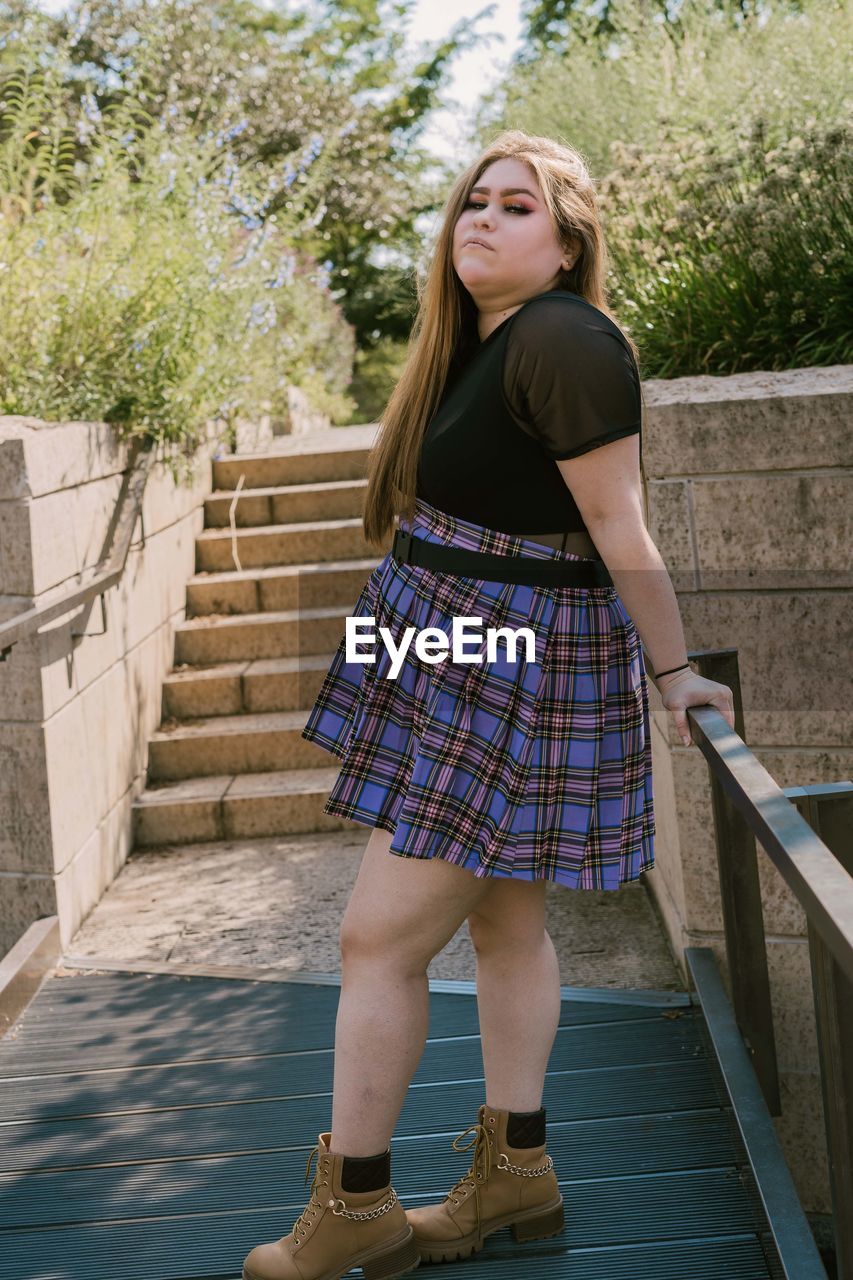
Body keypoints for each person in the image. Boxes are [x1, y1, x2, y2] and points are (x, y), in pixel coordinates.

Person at [241, 129, 736, 1280]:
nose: (481, 218)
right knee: (503, 921)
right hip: (460, 647)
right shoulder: (485, 342)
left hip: (507, 665)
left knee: (376, 936)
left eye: (517, 207)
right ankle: (517, 1174)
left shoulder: (563, 337)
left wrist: (675, 673)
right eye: (473, 201)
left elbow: (619, 524)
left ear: (567, 247)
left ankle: (357, 1201)